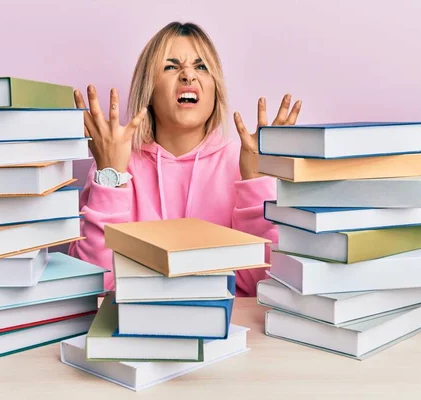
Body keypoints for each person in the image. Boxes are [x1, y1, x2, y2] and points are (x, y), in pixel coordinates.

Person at [67, 21, 302, 296]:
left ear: (215, 89)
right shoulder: (116, 162)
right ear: (149, 90)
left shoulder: (242, 162)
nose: (188, 75)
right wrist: (109, 175)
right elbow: (94, 287)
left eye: (201, 66)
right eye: (170, 66)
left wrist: (255, 181)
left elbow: (262, 286)